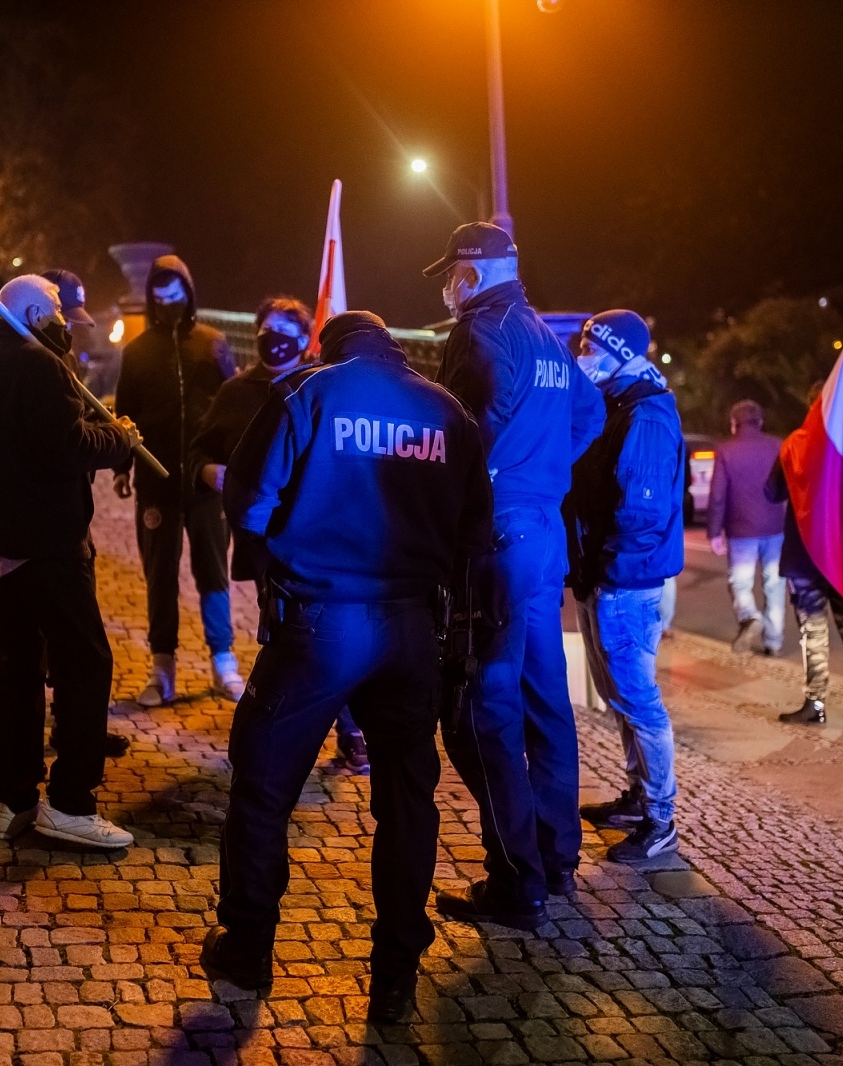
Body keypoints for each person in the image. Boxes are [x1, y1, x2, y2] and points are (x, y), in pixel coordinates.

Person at [205, 311, 493, 1023]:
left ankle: (247, 950)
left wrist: (299, 536)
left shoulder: (309, 394)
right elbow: (474, 533)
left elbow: (246, 503)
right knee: (406, 799)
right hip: (410, 628)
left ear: (331, 348)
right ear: (392, 347)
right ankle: (395, 973)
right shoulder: (445, 411)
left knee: (263, 783)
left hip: (322, 624)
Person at [425, 223, 607, 929]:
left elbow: (463, 428)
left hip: (495, 538)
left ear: (471, 273)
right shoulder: (543, 332)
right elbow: (588, 413)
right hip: (542, 533)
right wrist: (542, 471)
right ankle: (557, 858)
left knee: (479, 711)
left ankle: (517, 880)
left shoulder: (479, 333)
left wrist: (484, 482)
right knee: (544, 700)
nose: (446, 286)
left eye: (450, 273)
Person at [0, 274, 143, 847]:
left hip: (1, 546)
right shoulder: (37, 364)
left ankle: (13, 800)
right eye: (58, 310)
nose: (65, 320)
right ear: (36, 313)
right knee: (85, 666)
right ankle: (70, 803)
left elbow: (36, 440)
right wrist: (119, 438)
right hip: (47, 548)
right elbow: (67, 448)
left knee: (17, 676)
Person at [189, 296, 371, 773]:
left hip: (319, 536)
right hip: (263, 540)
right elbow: (199, 452)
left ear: (303, 338)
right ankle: (285, 736)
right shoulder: (235, 393)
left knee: (322, 633)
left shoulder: (323, 387)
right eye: (265, 329)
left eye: (283, 331)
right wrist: (210, 473)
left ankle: (345, 729)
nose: (273, 339)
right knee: (291, 637)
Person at [566, 311, 686, 865]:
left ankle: (661, 820)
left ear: (619, 350)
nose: (582, 351)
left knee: (640, 702)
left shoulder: (645, 414)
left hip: (624, 583)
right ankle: (640, 798)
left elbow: (641, 511)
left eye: (592, 343)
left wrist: (609, 573)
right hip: (604, 576)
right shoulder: (618, 404)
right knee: (619, 699)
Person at [114, 256, 242, 705]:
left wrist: (231, 459)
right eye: (160, 297)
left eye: (176, 295)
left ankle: (223, 661)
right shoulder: (137, 352)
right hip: (156, 482)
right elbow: (124, 415)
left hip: (206, 484)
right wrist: (121, 468)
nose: (168, 304)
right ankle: (162, 667)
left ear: (189, 292)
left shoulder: (213, 344)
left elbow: (233, 403)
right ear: (151, 299)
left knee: (214, 572)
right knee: (160, 576)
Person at [766, 432, 843, 725]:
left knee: (813, 631)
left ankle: (815, 703)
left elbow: (772, 491)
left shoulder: (796, 444)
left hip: (806, 556)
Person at [707, 399, 787, 656]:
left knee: (740, 583)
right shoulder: (777, 446)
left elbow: (718, 495)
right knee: (774, 584)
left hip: (740, 529)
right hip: (775, 527)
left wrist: (714, 532)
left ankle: (750, 615)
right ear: (760, 422)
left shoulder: (725, 450)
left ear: (734, 424)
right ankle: (773, 642)